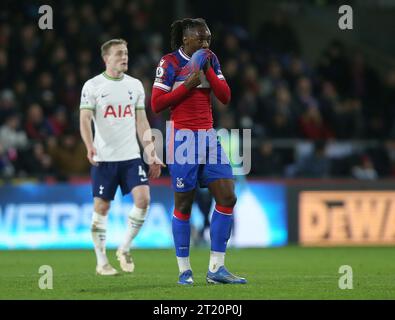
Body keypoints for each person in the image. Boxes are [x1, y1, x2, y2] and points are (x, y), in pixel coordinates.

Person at [151, 18, 246, 285]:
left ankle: (217, 269)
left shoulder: (211, 59)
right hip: (182, 139)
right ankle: (184, 271)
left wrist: (209, 72)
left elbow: (225, 97)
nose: (205, 43)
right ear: (185, 39)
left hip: (208, 137)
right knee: (184, 204)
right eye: (200, 39)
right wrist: (186, 86)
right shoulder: (169, 63)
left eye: (208, 38)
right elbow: (156, 104)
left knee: (227, 197)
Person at [80, 39, 164, 276]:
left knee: (143, 199)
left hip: (130, 157)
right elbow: (85, 119)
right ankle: (101, 262)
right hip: (104, 158)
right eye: (119, 54)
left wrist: (151, 153)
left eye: (126, 53)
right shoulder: (93, 86)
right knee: (101, 207)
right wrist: (89, 146)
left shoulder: (135, 85)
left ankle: (124, 247)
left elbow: (141, 121)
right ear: (107, 58)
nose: (124, 57)